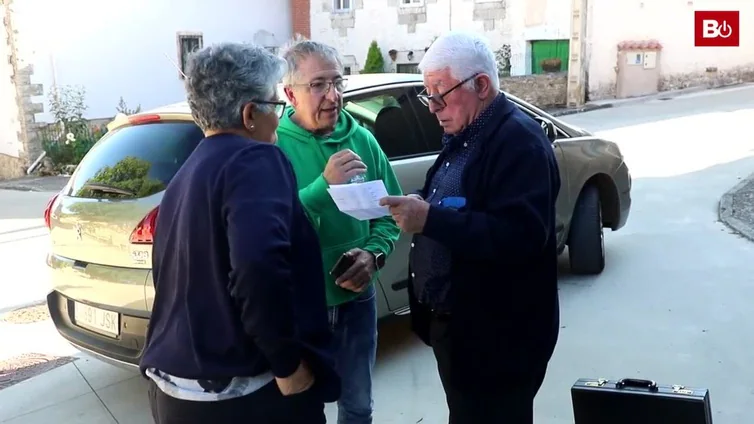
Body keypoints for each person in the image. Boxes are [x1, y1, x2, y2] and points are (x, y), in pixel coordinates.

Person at [139, 42, 339, 424]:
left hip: (175, 391)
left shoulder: (184, 175)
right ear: (250, 114)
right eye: (276, 106)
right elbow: (259, 268)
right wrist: (288, 366)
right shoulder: (255, 158)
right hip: (245, 396)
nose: (279, 120)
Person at [380, 31, 561, 424]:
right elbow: (453, 197)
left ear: (481, 85)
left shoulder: (518, 142)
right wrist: (420, 203)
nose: (432, 107)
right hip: (461, 331)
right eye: (428, 95)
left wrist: (429, 218)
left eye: (440, 93)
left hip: (499, 339)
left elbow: (522, 237)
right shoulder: (464, 132)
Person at [276, 38, 402, 424]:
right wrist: (322, 188)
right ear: (290, 94)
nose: (333, 96)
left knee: (358, 406)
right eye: (318, 85)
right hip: (300, 306)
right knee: (301, 409)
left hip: (356, 304)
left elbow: (391, 212)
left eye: (338, 82)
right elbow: (272, 228)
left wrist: (374, 255)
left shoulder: (363, 140)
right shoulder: (273, 147)